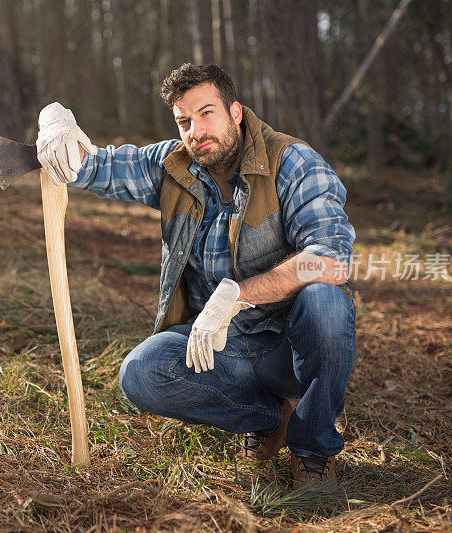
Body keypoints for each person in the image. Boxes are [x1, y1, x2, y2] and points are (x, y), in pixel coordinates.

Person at [34, 63, 356, 489]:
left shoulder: (293, 162)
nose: (196, 131)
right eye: (184, 120)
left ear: (236, 113)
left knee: (327, 302)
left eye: (208, 114)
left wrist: (238, 295)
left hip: (288, 347)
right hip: (217, 349)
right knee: (140, 374)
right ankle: (268, 418)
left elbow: (331, 258)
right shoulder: (174, 165)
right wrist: (55, 124)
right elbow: (95, 166)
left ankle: (314, 452)